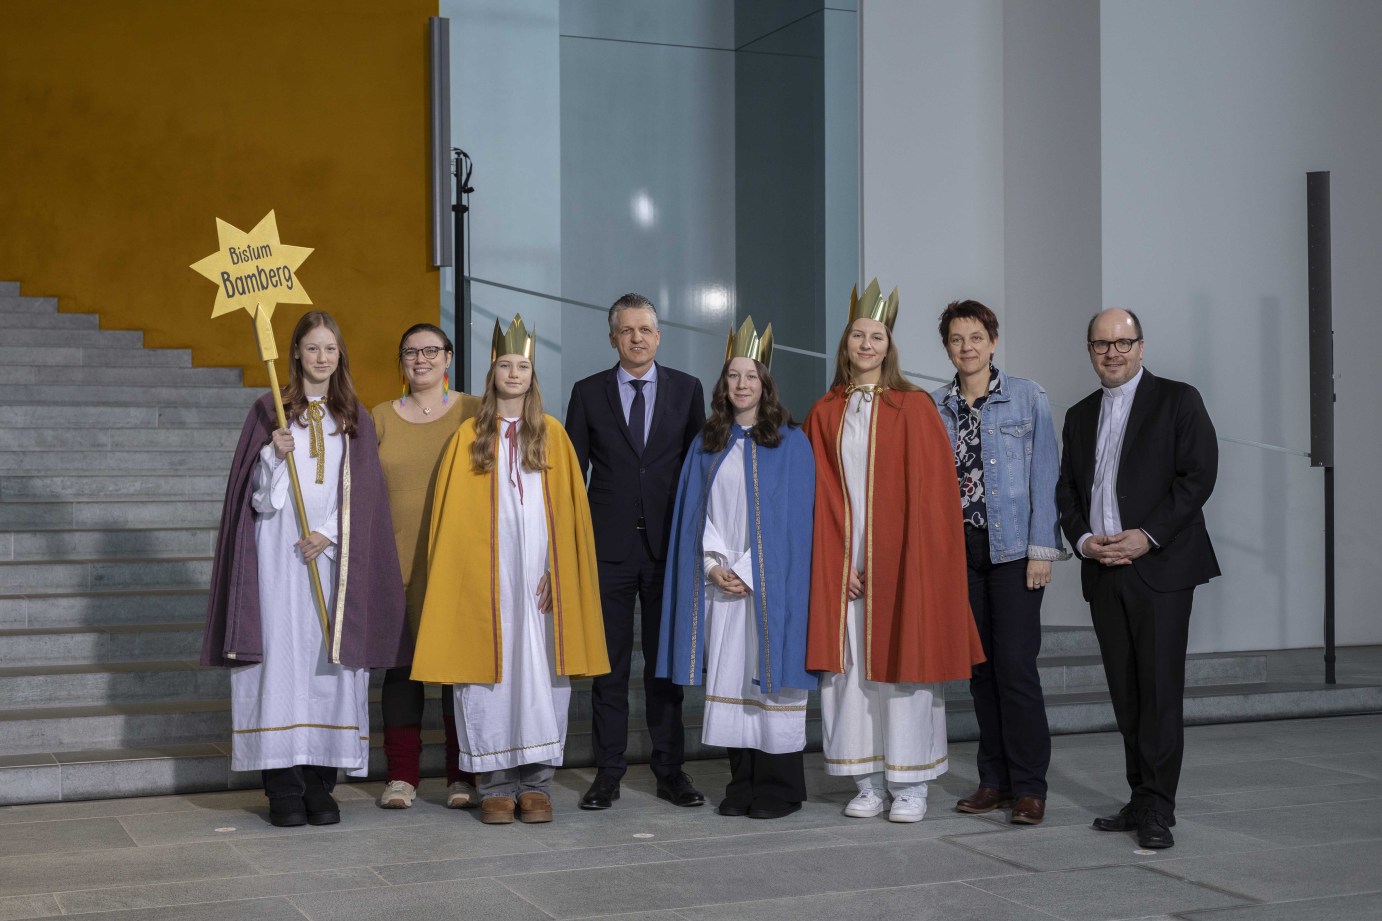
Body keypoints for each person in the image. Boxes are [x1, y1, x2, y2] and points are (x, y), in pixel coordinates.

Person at [201, 310, 410, 828]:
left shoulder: (354, 417)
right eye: (312, 348)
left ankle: (321, 785)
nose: (321, 357)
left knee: (328, 668)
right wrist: (272, 456)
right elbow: (255, 503)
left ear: (341, 355)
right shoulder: (270, 409)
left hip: (332, 561)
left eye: (330, 349)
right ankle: (283, 789)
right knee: (281, 664)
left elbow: (367, 497)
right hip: (278, 560)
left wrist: (330, 534)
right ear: (295, 352)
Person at [412, 315, 610, 825]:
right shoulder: (467, 439)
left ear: (532, 374)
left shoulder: (555, 437)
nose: (515, 373)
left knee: (541, 677)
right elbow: (451, 523)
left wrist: (558, 572)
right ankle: (495, 784)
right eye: (506, 364)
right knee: (487, 681)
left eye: (523, 365)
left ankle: (537, 784)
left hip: (542, 585)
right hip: (488, 584)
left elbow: (570, 516)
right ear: (492, 372)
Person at [804, 280, 984, 823]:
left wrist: (903, 565)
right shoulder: (824, 411)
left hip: (901, 563)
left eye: (876, 335)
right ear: (845, 343)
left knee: (904, 672)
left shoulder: (914, 407)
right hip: (847, 565)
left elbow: (933, 502)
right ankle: (867, 779)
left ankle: (911, 784)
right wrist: (839, 565)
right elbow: (816, 495)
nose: (866, 344)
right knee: (853, 673)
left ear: (889, 345)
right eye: (858, 334)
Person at [1055, 307, 1219, 850]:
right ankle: (1139, 794)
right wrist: (1083, 541)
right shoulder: (1079, 415)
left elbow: (1199, 476)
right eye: (1102, 344)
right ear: (1090, 351)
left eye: (1123, 343)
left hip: (1160, 569)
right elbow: (1068, 493)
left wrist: (1147, 535)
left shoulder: (1178, 400)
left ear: (1142, 347)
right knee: (1126, 694)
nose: (1113, 353)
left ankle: (1159, 809)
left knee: (1159, 691)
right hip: (1103, 570)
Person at [656, 318, 816, 820]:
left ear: (766, 384)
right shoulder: (708, 444)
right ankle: (741, 783)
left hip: (770, 587)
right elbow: (694, 516)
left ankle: (781, 789)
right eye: (733, 376)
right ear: (723, 384)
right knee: (732, 680)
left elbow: (795, 521)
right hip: (723, 588)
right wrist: (711, 565)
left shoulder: (791, 442)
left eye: (752, 376)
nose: (742, 384)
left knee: (770, 680)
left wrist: (749, 568)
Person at [565, 293, 707, 810]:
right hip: (608, 550)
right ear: (612, 338)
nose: (637, 338)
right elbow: (570, 476)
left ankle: (672, 772)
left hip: (670, 549)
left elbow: (700, 472)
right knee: (610, 668)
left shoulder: (688, 391)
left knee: (664, 668)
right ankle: (608, 774)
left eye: (645, 329)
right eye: (627, 330)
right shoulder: (587, 392)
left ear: (658, 335)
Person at [932, 299, 1067, 826]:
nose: (966, 347)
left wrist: (1042, 551)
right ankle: (995, 780)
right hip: (961, 556)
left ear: (992, 341)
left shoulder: (1027, 398)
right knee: (980, 674)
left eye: (975, 337)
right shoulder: (936, 407)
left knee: (1015, 670)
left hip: (1013, 554)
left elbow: (1045, 478)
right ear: (947, 347)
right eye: (956, 339)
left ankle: (1031, 787)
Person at [371, 323, 482, 810]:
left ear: (448, 357)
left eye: (430, 350)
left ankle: (462, 775)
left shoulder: (475, 411)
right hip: (394, 562)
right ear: (401, 361)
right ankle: (402, 777)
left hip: (458, 562)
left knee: (459, 672)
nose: (421, 359)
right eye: (410, 351)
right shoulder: (379, 417)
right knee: (401, 673)